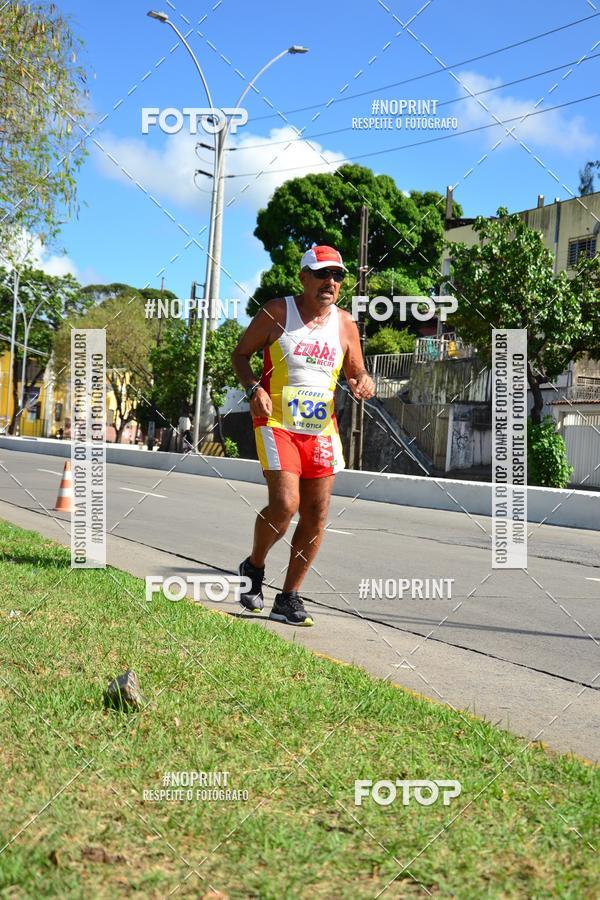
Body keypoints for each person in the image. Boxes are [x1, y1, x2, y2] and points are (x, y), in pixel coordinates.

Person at [231, 245, 375, 626]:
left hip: (321, 430)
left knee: (317, 513)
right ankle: (254, 565)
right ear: (304, 277)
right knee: (285, 505)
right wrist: (252, 390)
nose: (331, 282)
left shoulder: (345, 324)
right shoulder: (278, 312)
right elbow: (240, 355)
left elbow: (355, 371)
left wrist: (363, 381)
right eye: (323, 274)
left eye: (338, 276)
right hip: (276, 423)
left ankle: (289, 597)